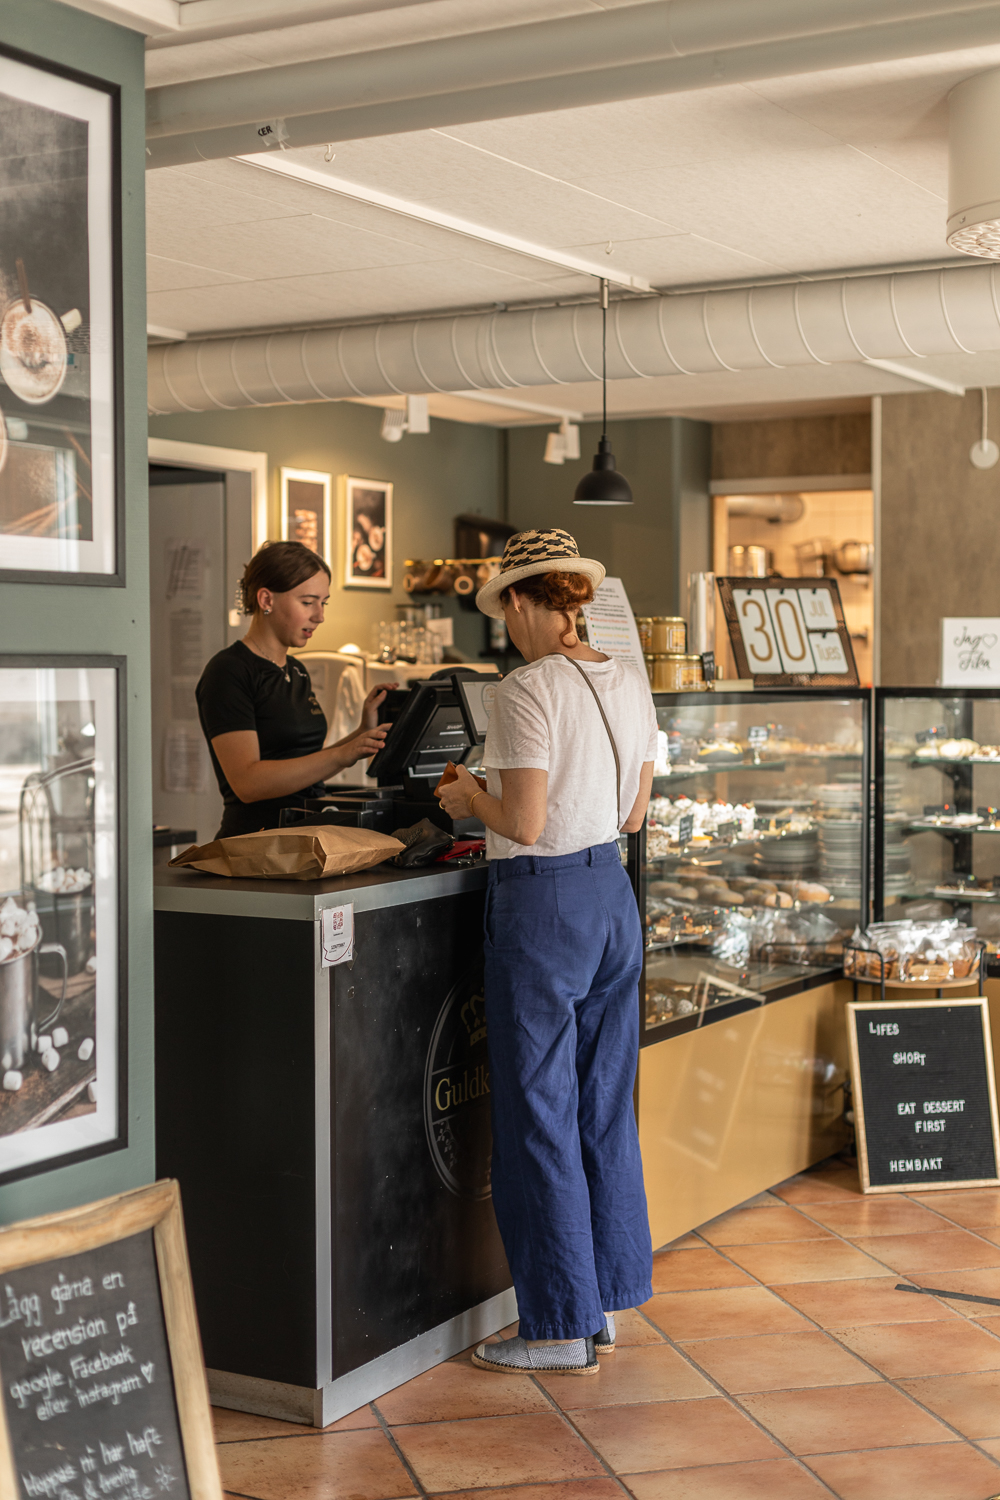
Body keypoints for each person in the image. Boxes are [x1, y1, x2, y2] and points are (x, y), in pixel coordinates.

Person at [437, 528, 656, 1376]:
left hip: (545, 905)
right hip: (612, 899)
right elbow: (634, 813)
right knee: (603, 1107)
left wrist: (465, 793)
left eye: (507, 611)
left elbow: (522, 823)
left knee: (537, 1113)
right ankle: (604, 1301)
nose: (508, 627)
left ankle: (558, 1327)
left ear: (524, 603)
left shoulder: (525, 689)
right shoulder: (627, 677)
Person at [196, 540, 392, 838]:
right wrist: (342, 755)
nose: (320, 616)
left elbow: (304, 761)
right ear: (266, 600)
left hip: (303, 833)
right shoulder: (229, 671)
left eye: (323, 603)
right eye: (308, 602)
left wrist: (362, 731)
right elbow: (247, 783)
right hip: (256, 842)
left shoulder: (296, 670)